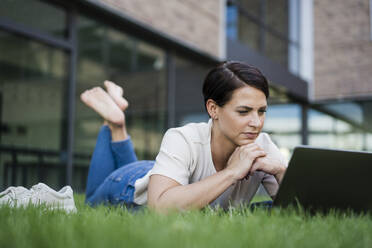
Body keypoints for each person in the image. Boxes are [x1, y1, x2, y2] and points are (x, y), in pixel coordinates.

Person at [82, 61, 287, 213]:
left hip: (167, 174)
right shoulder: (182, 137)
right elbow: (160, 208)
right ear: (213, 109)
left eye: (261, 111)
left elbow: (302, 211)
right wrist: (232, 172)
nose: (256, 122)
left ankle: (117, 120)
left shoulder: (263, 145)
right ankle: (115, 122)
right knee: (91, 204)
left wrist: (280, 171)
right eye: (244, 111)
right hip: (130, 183)